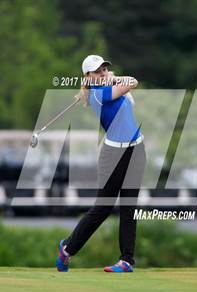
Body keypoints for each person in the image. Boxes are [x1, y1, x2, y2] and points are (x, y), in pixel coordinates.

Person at [56, 55, 146, 273]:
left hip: (136, 149)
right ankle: (67, 248)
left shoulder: (106, 84)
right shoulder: (98, 95)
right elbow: (132, 82)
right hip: (113, 154)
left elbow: (131, 83)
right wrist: (111, 80)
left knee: (129, 207)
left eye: (105, 69)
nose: (103, 72)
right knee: (103, 207)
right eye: (98, 71)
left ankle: (126, 260)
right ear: (88, 76)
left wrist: (110, 78)